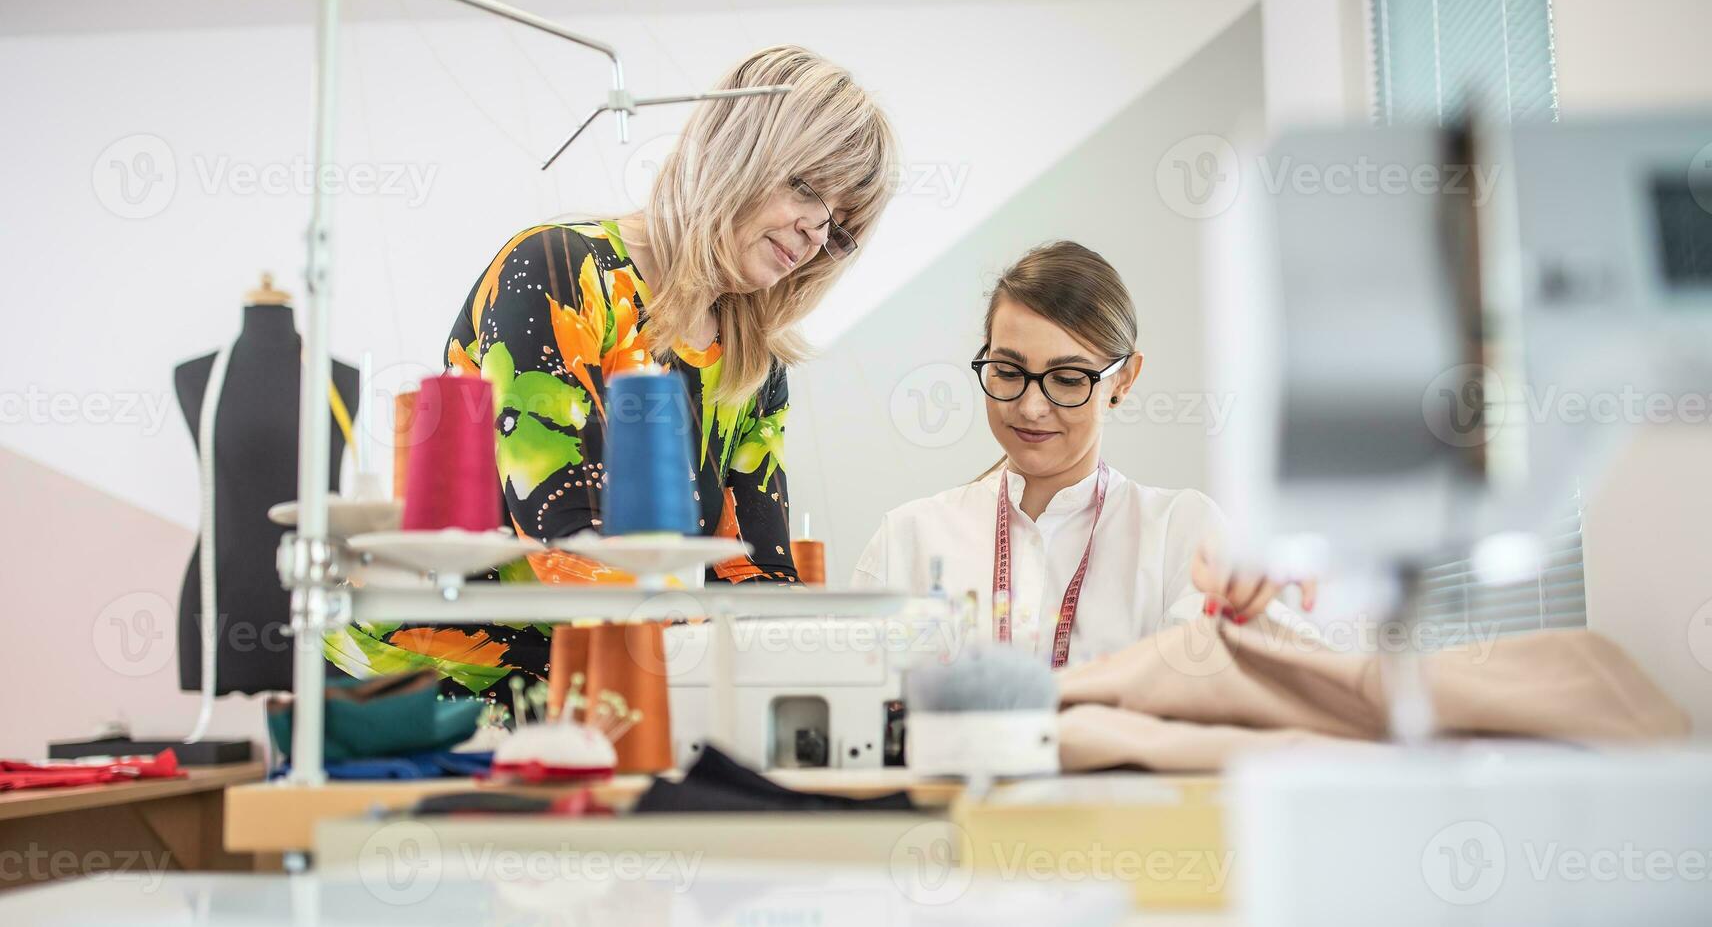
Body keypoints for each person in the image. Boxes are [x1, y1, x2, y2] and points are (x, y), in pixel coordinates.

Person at [327, 45, 899, 697]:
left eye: (839, 228)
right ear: (739, 147)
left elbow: (757, 574)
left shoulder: (753, 369)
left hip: (572, 693)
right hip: (414, 694)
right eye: (805, 186)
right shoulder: (557, 271)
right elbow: (565, 540)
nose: (813, 234)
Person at [853, 241, 1313, 668]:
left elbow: (1233, 688)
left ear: (1125, 380)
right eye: (1008, 371)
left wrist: (1257, 604)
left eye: (1069, 379)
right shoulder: (909, 539)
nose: (1031, 408)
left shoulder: (1180, 534)